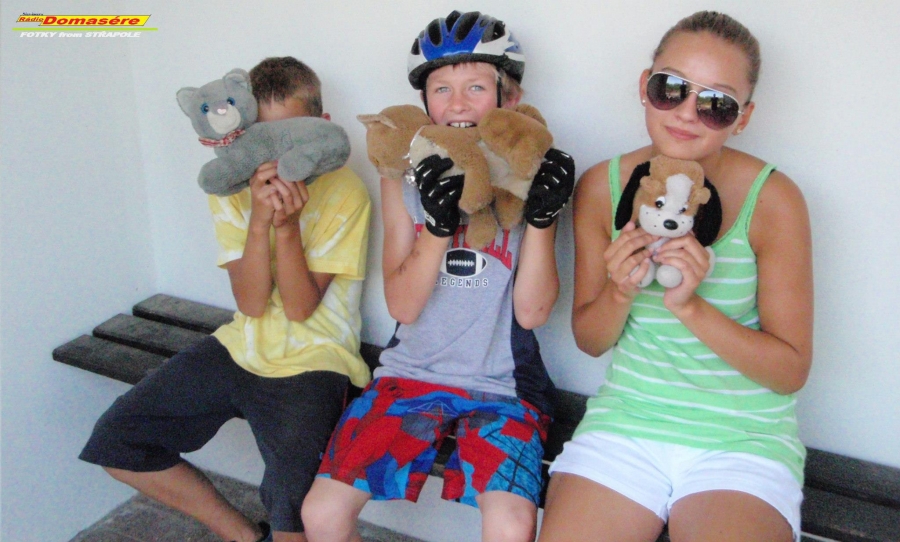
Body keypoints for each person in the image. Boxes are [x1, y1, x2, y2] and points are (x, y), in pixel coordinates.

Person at [538, 11, 813, 542]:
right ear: (645, 86)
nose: (687, 113)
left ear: (743, 117)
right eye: (671, 88)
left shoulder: (773, 199)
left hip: (743, 441)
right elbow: (590, 340)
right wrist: (620, 290)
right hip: (626, 425)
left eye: (716, 103)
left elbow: (790, 370)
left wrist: (691, 306)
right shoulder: (603, 186)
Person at [301, 10, 575, 542]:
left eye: (477, 87)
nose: (458, 103)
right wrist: (437, 226)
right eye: (442, 89)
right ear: (424, 102)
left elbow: (533, 312)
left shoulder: (530, 174)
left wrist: (543, 219)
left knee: (511, 524)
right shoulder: (401, 176)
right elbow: (403, 307)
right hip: (408, 374)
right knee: (321, 514)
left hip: (503, 387)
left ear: (510, 98)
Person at [79, 57, 372, 542]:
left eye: (291, 137)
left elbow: (300, 309)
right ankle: (246, 537)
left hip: (317, 357)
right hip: (242, 343)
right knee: (118, 441)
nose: (275, 158)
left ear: (320, 127)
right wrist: (259, 219)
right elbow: (251, 304)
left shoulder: (346, 190)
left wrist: (286, 227)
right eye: (261, 139)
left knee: (293, 507)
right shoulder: (232, 186)